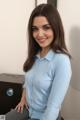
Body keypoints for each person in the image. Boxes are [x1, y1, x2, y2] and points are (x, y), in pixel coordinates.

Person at [6, 3, 72, 120]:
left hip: (45, 115)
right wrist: (23, 98)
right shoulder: (34, 54)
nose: (39, 34)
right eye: (35, 29)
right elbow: (27, 80)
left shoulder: (62, 61)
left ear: (56, 28)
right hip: (27, 109)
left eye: (46, 27)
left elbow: (53, 107)